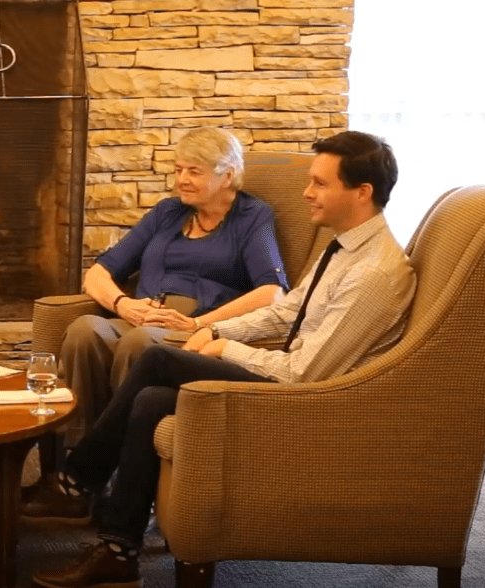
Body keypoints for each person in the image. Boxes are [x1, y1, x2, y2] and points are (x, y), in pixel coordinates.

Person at [30, 131, 416, 588]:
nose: (306, 192)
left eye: (319, 184)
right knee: (152, 397)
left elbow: (305, 373)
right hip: (290, 375)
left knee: (154, 360)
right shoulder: (345, 248)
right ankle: (119, 549)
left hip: (309, 400)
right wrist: (212, 329)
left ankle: (76, 482)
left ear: (361, 192)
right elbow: (288, 311)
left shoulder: (372, 271)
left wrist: (222, 346)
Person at [25, 128, 289, 520]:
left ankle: (113, 478)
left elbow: (272, 293)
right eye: (179, 169)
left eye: (194, 171)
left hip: (194, 327)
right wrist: (123, 304)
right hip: (140, 316)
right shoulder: (168, 213)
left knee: (142, 344)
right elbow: (97, 273)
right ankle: (74, 468)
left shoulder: (252, 217)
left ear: (227, 175)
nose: (182, 179)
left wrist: (199, 321)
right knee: (83, 330)